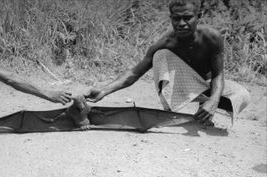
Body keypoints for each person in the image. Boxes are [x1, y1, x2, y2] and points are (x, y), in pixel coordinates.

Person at [85, 0, 250, 126]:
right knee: (161, 55)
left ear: (198, 17)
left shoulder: (212, 37)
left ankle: (203, 111)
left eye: (187, 18)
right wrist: (104, 90)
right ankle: (169, 114)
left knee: (242, 95)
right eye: (177, 18)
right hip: (184, 88)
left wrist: (213, 101)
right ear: (171, 18)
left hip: (207, 87)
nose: (182, 23)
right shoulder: (166, 42)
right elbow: (135, 73)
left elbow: (218, 74)